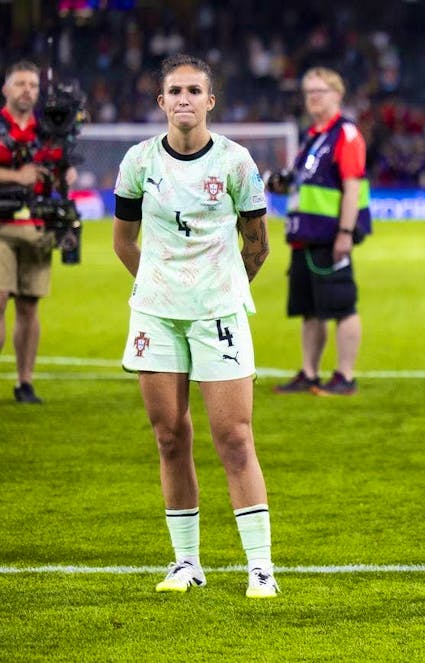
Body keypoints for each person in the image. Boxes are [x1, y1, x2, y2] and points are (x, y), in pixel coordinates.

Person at [112, 54, 278, 597]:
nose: (184, 99)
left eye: (194, 91)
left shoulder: (236, 162)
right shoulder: (138, 162)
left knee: (234, 437)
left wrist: (222, 289)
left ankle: (260, 566)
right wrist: (158, 287)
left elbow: (258, 246)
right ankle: (187, 563)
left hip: (219, 314)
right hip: (156, 315)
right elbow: (122, 240)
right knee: (168, 436)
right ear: (161, 102)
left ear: (210, 101)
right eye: (174, 91)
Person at [270, 67, 371, 397]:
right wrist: (284, 182)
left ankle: (345, 376)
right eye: (308, 91)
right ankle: (309, 373)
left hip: (329, 234)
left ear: (337, 95)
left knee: (343, 306)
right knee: (310, 309)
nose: (313, 97)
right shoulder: (313, 137)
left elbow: (352, 186)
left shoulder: (346, 134)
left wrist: (345, 232)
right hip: (306, 234)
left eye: (320, 91)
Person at [0, 60, 77, 404]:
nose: (27, 90)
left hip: (36, 226)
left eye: (32, 84)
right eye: (20, 83)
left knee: (30, 308)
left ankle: (25, 382)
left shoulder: (50, 130)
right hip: (1, 226)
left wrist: (65, 176)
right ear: (6, 89)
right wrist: (19, 177)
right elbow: (25, 173)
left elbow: (63, 172)